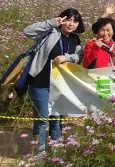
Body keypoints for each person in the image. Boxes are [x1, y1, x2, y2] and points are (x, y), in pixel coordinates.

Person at [23, 8, 85, 151]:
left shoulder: (75, 39)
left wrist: (67, 57)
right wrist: (51, 22)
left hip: (60, 86)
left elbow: (79, 57)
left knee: (56, 120)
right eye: (68, 19)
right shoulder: (50, 32)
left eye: (75, 21)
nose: (71, 24)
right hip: (40, 82)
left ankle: (56, 154)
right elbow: (27, 31)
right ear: (61, 19)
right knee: (42, 119)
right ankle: (39, 155)